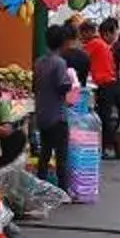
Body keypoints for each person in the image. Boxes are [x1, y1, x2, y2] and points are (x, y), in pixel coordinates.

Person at [34, 23, 83, 180]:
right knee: (62, 157)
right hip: (57, 116)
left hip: (42, 114)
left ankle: (41, 185)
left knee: (45, 154)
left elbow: (35, 86)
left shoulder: (39, 62)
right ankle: (63, 189)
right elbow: (62, 86)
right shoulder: (59, 63)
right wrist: (72, 81)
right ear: (63, 42)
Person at [84, 16, 120, 155]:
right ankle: (110, 144)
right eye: (115, 33)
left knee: (108, 115)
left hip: (108, 84)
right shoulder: (100, 44)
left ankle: (109, 144)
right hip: (109, 84)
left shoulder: (99, 44)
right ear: (107, 33)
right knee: (110, 115)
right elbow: (83, 57)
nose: (116, 37)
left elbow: (82, 57)